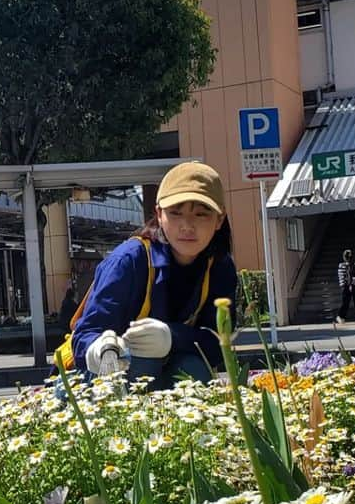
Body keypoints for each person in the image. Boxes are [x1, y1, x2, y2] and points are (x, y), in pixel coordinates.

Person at [69, 161, 237, 391]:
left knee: (194, 370)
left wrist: (172, 337)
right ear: (159, 214)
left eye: (201, 214)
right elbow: (84, 334)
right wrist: (101, 348)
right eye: (175, 213)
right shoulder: (129, 261)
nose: (187, 226)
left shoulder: (219, 267)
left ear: (219, 219)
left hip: (168, 372)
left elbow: (219, 343)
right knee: (141, 363)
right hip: (106, 379)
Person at [335, 249, 355, 324]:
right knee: (348, 302)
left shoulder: (354, 264)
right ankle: (342, 316)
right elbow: (342, 276)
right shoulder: (343, 265)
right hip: (350, 285)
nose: (349, 258)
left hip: (353, 285)